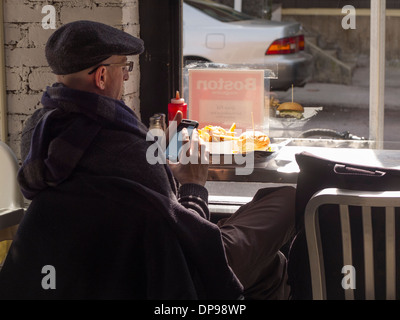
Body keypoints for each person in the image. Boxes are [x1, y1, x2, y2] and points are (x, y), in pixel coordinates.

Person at [0, 20, 295, 300]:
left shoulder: (36, 134)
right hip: (161, 276)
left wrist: (157, 160)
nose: (127, 75)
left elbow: (116, 191)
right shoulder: (127, 146)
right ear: (101, 76)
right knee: (286, 200)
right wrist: (193, 184)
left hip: (86, 271)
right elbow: (179, 239)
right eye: (123, 66)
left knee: (271, 267)